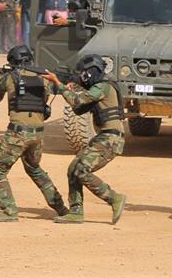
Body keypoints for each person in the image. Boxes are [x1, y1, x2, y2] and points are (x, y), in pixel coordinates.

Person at [42, 55, 127, 225]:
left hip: (111, 139)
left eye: (83, 73)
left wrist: (58, 84)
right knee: (73, 169)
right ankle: (76, 211)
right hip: (105, 137)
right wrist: (74, 86)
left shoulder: (103, 86)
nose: (82, 76)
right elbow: (79, 108)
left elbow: (78, 100)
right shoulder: (99, 86)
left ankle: (114, 198)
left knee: (82, 171)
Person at [0, 46, 68, 222]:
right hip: (38, 134)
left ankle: (9, 211)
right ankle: (61, 208)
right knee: (35, 170)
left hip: (18, 133)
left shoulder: (9, 77)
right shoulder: (44, 78)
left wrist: (5, 78)